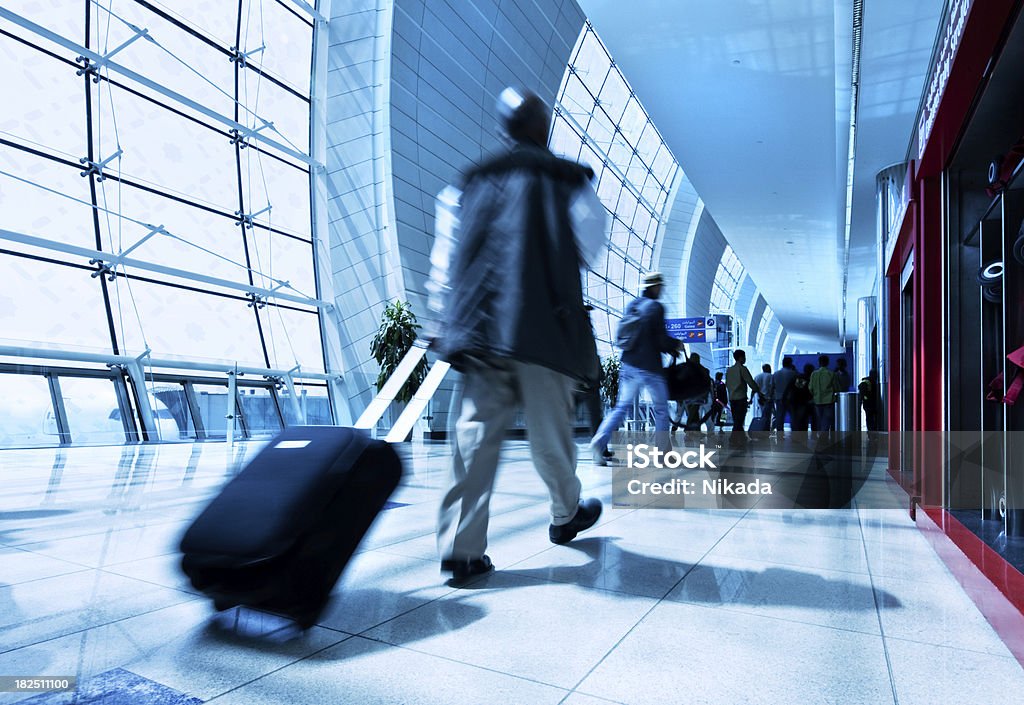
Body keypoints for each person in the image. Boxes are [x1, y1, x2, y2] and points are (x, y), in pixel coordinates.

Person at [431, 88, 605, 584]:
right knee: (551, 438)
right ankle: (565, 513)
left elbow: (444, 263)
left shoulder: (467, 186)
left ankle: (461, 550)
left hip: (480, 332)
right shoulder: (569, 182)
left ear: (503, 129)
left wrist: (444, 317)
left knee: (473, 441)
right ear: (543, 127)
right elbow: (593, 249)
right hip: (543, 330)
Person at [590, 272, 682, 464]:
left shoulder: (632, 305)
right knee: (661, 410)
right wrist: (676, 345)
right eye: (660, 287)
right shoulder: (656, 307)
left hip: (629, 364)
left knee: (621, 407)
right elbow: (660, 339)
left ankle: (599, 442)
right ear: (655, 287)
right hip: (650, 367)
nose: (661, 290)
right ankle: (662, 454)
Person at [668, 351, 712, 437]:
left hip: (687, 397)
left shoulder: (687, 369)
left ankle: (689, 430)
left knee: (690, 415)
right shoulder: (704, 370)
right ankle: (691, 431)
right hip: (698, 397)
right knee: (694, 415)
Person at [725, 349, 759, 444]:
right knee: (739, 420)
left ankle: (741, 437)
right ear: (740, 358)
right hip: (741, 398)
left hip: (732, 398)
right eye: (744, 357)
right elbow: (751, 382)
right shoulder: (742, 369)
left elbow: (727, 384)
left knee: (737, 419)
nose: (745, 359)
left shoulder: (729, 370)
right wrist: (757, 390)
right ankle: (733, 438)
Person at [809, 354, 839, 439]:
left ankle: (821, 436)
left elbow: (810, 387)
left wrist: (815, 395)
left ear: (819, 363)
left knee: (820, 419)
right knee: (827, 420)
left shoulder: (814, 374)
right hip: (829, 401)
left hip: (817, 400)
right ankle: (824, 437)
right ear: (828, 363)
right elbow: (836, 388)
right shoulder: (831, 373)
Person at [771, 356, 798, 437]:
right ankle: (794, 432)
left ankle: (780, 433)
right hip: (791, 398)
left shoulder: (776, 374)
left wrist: (772, 397)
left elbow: (772, 387)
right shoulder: (793, 373)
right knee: (793, 416)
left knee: (780, 416)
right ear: (790, 363)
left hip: (779, 398)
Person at [790, 364, 814, 437]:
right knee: (804, 420)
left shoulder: (798, 377)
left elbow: (791, 388)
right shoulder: (810, 378)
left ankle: (796, 434)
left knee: (796, 419)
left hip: (795, 401)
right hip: (805, 402)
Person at [753, 363, 775, 429]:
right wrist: (770, 396)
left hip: (760, 398)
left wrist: (751, 398)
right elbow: (772, 388)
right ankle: (767, 428)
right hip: (769, 398)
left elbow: (754, 388)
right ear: (769, 369)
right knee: (769, 415)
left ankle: (763, 428)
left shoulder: (757, 377)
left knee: (763, 413)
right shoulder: (771, 376)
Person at [859, 368, 878, 433]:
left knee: (869, 418)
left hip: (867, 404)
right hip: (870, 404)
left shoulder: (867, 381)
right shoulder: (870, 381)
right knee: (871, 418)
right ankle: (871, 431)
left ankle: (871, 431)